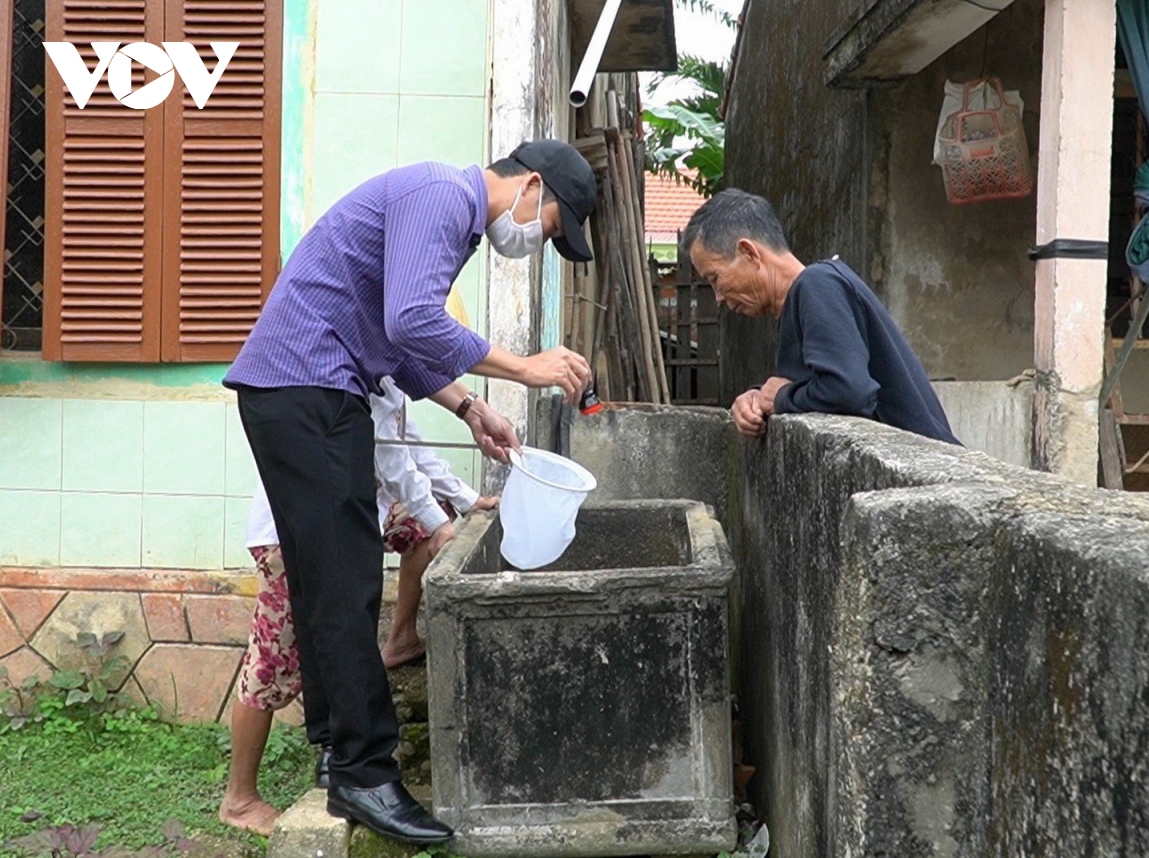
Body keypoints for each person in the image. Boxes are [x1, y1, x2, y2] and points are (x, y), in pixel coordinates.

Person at [224, 139, 595, 844]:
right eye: (549, 227)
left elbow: (399, 344)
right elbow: (413, 322)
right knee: (346, 582)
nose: (537, 241)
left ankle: (339, 755)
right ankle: (366, 773)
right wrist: (523, 368)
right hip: (308, 388)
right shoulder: (442, 196)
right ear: (533, 186)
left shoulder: (440, 208)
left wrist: (468, 408)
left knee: (323, 581)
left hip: (295, 390)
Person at [219, 375, 498, 836]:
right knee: (272, 663)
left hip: (350, 514)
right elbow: (392, 460)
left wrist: (465, 501)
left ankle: (402, 638)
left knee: (427, 528)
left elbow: (408, 443)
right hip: (290, 537)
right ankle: (240, 798)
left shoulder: (380, 371)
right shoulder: (352, 374)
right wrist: (438, 512)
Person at [681, 189, 959, 445]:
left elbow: (849, 391)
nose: (718, 297)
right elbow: (817, 384)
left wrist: (780, 398)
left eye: (715, 278)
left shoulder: (817, 284)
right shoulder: (801, 300)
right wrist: (757, 397)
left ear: (749, 253)